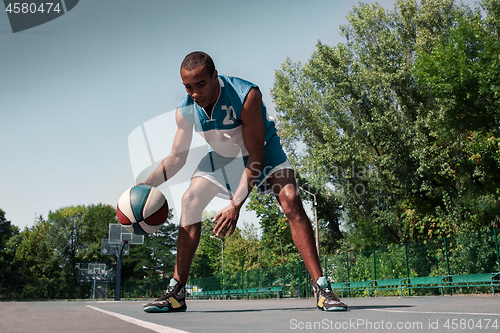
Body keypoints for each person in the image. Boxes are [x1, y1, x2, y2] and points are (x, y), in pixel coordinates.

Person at [141, 51, 347, 312]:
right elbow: (176, 159)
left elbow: (256, 156)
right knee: (190, 200)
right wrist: (145, 187)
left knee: (291, 200)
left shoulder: (246, 95)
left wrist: (236, 204)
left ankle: (322, 288)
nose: (195, 93)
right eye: (188, 87)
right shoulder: (186, 110)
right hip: (224, 156)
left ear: (215, 77)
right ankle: (176, 293)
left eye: (201, 84)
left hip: (262, 150)